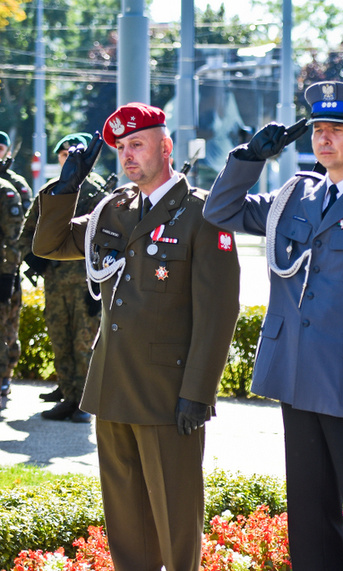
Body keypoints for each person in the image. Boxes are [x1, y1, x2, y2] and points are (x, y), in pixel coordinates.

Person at [204, 81, 343, 571]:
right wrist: (249, 158)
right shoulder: (294, 197)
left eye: (338, 130)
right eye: (319, 129)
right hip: (299, 376)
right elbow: (219, 211)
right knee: (309, 519)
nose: (324, 138)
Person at [32, 103, 241, 571]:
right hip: (112, 384)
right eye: (121, 147)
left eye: (138, 144)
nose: (128, 155)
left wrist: (198, 393)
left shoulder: (202, 214)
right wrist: (67, 188)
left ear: (165, 147)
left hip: (170, 392)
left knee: (175, 515)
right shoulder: (115, 209)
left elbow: (218, 313)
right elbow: (49, 245)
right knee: (125, 519)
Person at [18, 133, 106, 422]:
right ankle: (69, 396)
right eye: (63, 154)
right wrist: (34, 259)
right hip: (55, 285)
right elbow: (29, 231)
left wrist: (100, 288)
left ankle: (85, 404)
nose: (67, 158)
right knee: (60, 341)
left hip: (86, 286)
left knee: (84, 345)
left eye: (73, 153)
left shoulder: (99, 196)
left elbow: (109, 242)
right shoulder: (52, 190)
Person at [0, 131, 32, 398]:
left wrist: (9, 274)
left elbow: (17, 234)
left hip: (4, 269)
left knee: (6, 328)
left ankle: (3, 379)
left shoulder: (10, 187)